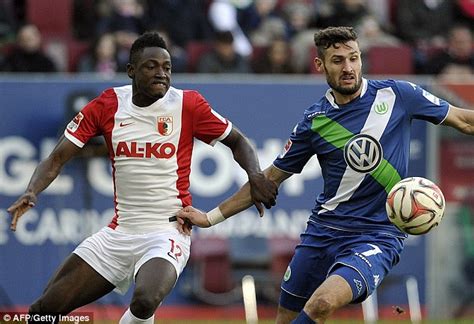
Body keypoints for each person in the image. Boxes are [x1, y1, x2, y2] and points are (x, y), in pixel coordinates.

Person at [177, 26, 474, 324]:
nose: (348, 68)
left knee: (322, 303)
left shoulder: (398, 95)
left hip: (377, 235)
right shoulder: (314, 122)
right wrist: (210, 217)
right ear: (320, 65)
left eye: (353, 58)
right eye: (338, 60)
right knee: (285, 318)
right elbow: (269, 178)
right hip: (323, 233)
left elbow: (463, 120)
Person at [7, 31, 278, 323]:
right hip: (119, 233)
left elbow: (238, 141)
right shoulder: (108, 104)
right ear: (131, 70)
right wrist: (32, 190)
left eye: (167, 67)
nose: (162, 73)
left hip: (168, 231)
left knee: (145, 299)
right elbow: (57, 158)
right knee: (42, 312)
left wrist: (256, 175)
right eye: (152, 66)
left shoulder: (187, 104)